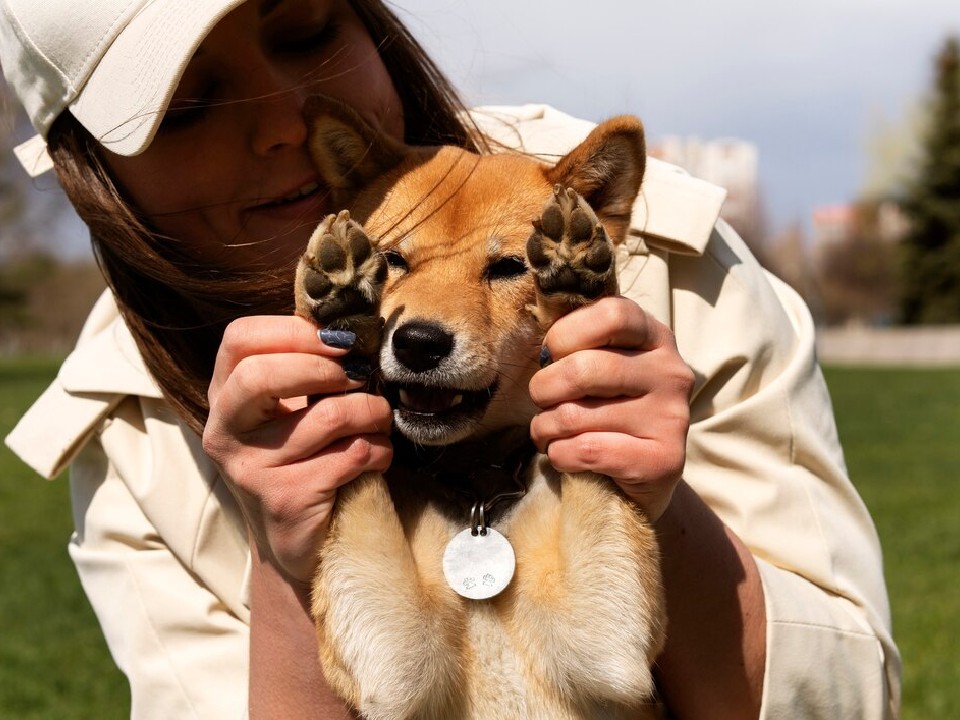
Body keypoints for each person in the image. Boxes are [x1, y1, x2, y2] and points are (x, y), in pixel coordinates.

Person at [1, 0, 900, 718]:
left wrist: (652, 500)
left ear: (374, 24)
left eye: (309, 32)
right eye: (187, 109)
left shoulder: (665, 260)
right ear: (93, 171)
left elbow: (849, 702)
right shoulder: (129, 427)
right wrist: (290, 565)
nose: (285, 121)